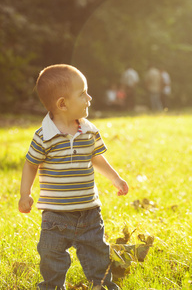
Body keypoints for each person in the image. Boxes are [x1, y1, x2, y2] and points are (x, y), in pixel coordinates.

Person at [18, 64, 129, 290]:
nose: (89, 97)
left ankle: (101, 285)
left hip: (89, 211)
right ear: (62, 104)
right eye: (82, 94)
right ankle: (52, 286)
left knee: (98, 253)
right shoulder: (43, 137)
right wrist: (25, 194)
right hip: (55, 217)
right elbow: (31, 165)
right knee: (51, 257)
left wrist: (116, 179)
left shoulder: (89, 131)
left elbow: (96, 158)